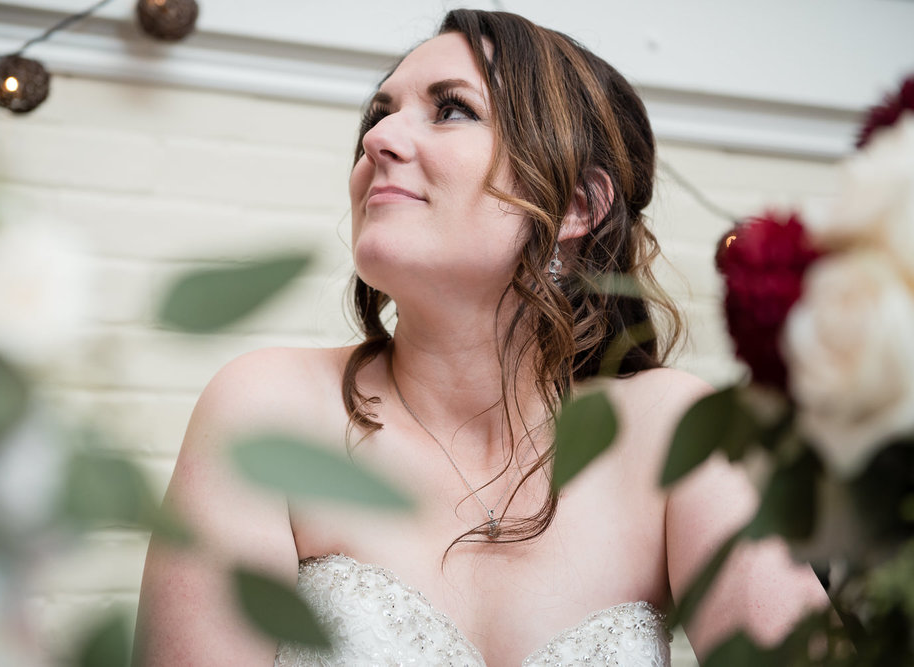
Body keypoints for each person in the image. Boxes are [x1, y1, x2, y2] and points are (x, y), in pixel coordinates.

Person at [135, 9, 828, 666]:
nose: (378, 140)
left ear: (577, 205)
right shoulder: (266, 408)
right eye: (380, 114)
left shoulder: (667, 433)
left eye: (452, 108)